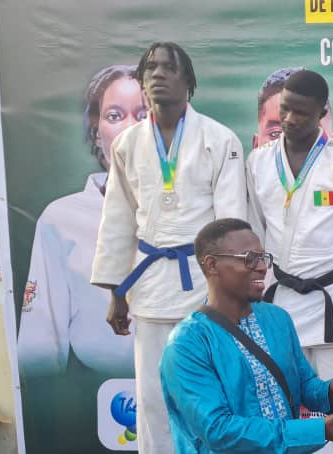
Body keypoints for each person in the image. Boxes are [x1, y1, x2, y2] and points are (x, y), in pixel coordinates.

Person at [91, 42, 248, 453]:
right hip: (150, 286)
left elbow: (232, 225)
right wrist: (116, 292)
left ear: (189, 83)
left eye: (170, 68)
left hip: (205, 286)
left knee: (211, 396)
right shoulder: (126, 144)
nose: (159, 75)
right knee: (153, 398)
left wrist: (231, 294)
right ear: (143, 83)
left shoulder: (220, 139)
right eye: (151, 69)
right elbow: (118, 221)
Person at [246, 70, 333, 453]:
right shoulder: (259, 161)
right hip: (280, 297)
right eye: (285, 111)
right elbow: (254, 231)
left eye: (301, 113)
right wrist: (253, 294)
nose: (289, 120)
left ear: (323, 112)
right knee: (280, 398)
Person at [159, 218, 333, 453]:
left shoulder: (277, 318)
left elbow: (304, 385)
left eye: (263, 257)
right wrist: (313, 430)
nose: (262, 267)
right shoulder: (187, 343)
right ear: (211, 265)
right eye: (249, 259)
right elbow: (217, 430)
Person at [18, 64, 148, 377]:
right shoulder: (62, 219)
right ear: (95, 131)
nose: (130, 128)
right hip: (99, 396)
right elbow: (41, 340)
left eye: (144, 115)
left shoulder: (195, 210)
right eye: (115, 116)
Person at [254, 66, 333, 149]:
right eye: (275, 133)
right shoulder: (257, 158)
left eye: (312, 131)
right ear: (256, 144)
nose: (290, 120)